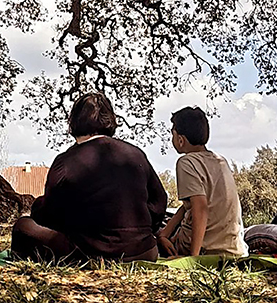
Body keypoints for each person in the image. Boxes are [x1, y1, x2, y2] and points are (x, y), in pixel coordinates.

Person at [11, 93, 167, 262]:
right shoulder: (136, 154)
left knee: (23, 226)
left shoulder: (65, 162)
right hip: (143, 252)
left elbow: (51, 216)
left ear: (74, 122)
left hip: (91, 253)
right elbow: (159, 201)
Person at [157, 107, 247, 257]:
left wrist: (194, 257)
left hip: (205, 248)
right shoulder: (220, 161)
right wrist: (164, 234)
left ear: (180, 140)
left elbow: (200, 208)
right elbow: (190, 204)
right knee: (162, 233)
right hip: (232, 248)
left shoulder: (186, 162)